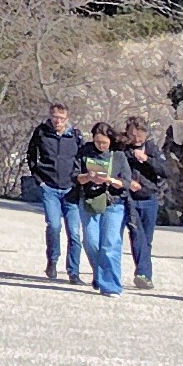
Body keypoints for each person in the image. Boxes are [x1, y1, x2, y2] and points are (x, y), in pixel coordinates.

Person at [70, 123, 132, 297]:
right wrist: (88, 176)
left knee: (110, 244)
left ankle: (111, 285)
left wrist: (110, 180)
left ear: (110, 140)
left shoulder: (118, 156)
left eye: (104, 142)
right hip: (90, 201)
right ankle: (100, 274)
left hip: (114, 202)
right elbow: (74, 177)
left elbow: (126, 182)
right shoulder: (85, 152)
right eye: (97, 142)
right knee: (91, 242)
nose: (101, 146)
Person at [24, 103, 83, 280]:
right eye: (55, 117)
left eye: (62, 118)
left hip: (71, 188)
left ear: (67, 118)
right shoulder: (41, 132)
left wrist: (78, 179)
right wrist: (39, 180)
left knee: (74, 232)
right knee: (54, 226)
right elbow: (31, 155)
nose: (58, 121)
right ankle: (53, 260)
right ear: (50, 116)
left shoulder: (75, 135)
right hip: (49, 187)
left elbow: (81, 159)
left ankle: (73, 271)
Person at [116, 116, 166, 290]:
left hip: (149, 198)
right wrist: (128, 182)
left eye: (140, 135)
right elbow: (115, 170)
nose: (137, 139)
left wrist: (147, 159)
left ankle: (145, 274)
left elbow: (165, 170)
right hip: (130, 198)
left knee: (147, 239)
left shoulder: (152, 149)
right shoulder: (122, 150)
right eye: (133, 135)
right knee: (137, 235)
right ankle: (142, 273)